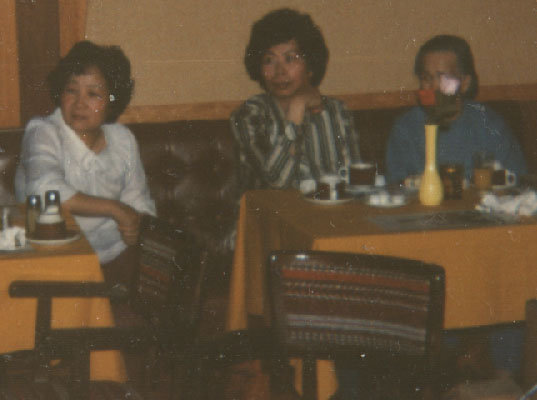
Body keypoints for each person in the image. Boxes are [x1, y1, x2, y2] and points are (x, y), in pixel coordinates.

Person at [15, 40, 155, 289]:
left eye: (93, 94)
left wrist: (137, 227)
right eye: (72, 91)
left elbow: (139, 202)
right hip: (54, 263)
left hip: (115, 257)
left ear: (112, 101)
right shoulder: (42, 132)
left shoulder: (123, 139)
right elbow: (46, 190)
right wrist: (115, 209)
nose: (79, 104)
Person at [230, 8, 361, 194]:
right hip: (269, 211)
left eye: (290, 59)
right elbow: (276, 183)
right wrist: (297, 109)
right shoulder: (249, 115)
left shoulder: (336, 110)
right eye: (269, 60)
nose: (279, 71)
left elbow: (355, 179)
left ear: (311, 65)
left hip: (327, 209)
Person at [386, 34, 527, 185]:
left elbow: (518, 181)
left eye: (444, 78)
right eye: (426, 78)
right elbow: (396, 186)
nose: (434, 88)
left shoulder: (490, 126)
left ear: (465, 83)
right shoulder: (405, 129)